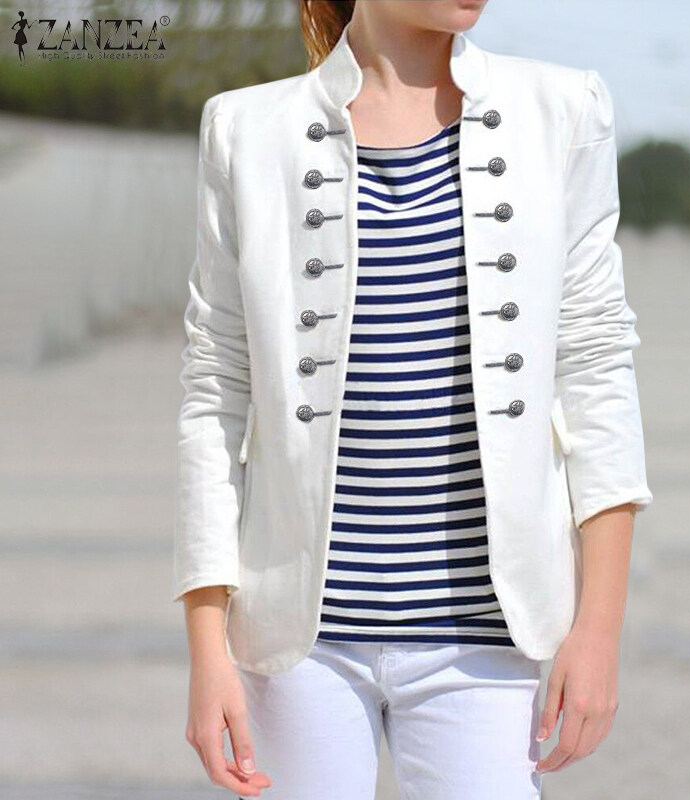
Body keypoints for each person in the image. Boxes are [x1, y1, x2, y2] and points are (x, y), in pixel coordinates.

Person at [173, 1, 653, 798]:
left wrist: (598, 631)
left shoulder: (561, 110)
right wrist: (206, 649)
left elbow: (597, 368)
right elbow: (215, 390)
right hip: (299, 644)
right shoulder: (247, 129)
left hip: (485, 638)